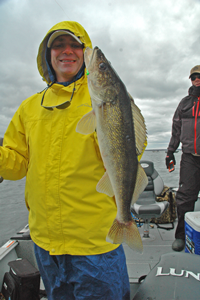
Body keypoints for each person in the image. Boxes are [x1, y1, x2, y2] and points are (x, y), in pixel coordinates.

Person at [0, 21, 146, 300]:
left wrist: (114, 121)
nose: (67, 51)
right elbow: (16, 163)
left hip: (95, 243)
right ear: (47, 54)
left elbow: (131, 148)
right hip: (45, 243)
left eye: (75, 45)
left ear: (84, 53)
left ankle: (124, 224)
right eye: (58, 45)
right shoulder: (29, 107)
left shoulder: (104, 99)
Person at [166, 65, 200, 252]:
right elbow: (176, 129)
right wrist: (170, 151)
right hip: (189, 158)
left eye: (199, 76)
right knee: (185, 199)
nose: (197, 79)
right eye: (193, 76)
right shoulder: (184, 103)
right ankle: (181, 236)